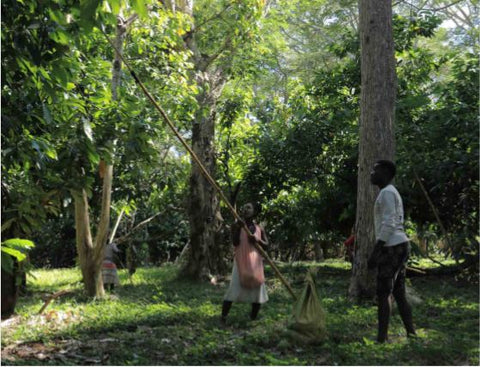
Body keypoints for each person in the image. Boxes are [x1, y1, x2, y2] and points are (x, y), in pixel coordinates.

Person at [367, 160, 416, 343]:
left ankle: (381, 338)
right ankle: (411, 332)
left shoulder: (387, 192)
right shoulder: (389, 192)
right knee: (398, 293)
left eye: (375, 170)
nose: (371, 173)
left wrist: (376, 251)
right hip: (399, 245)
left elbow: (389, 223)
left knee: (383, 292)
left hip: (392, 247)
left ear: (386, 173)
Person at [221, 202, 269, 324]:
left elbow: (267, 245)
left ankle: (253, 318)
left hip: (256, 262)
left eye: (249, 207)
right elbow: (235, 243)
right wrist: (238, 228)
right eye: (244, 207)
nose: (245, 209)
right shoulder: (236, 225)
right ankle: (223, 317)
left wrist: (257, 240)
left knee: (257, 289)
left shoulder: (259, 228)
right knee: (234, 287)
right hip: (240, 260)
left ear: (254, 211)